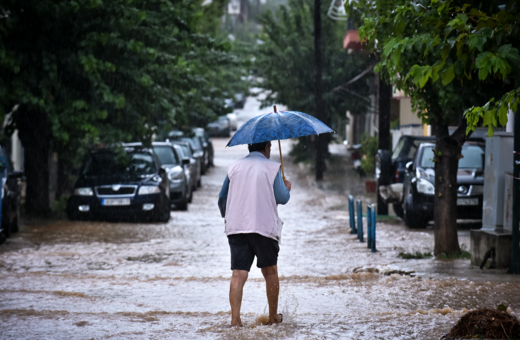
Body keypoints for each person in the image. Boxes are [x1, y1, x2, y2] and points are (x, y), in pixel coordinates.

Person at [218, 141, 291, 327]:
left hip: (237, 227)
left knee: (238, 275)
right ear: (266, 147)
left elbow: (222, 198)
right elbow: (282, 198)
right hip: (263, 227)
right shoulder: (273, 168)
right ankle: (273, 317)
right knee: (270, 271)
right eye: (270, 148)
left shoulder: (233, 167)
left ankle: (235, 320)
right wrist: (287, 186)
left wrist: (228, 216)